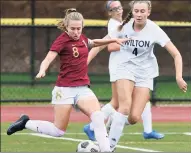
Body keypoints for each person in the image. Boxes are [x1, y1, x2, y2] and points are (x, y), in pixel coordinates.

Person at [6, 8, 129, 152]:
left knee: (98, 116)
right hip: (64, 90)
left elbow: (93, 42)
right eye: (73, 29)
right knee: (58, 131)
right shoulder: (62, 40)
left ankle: (106, 150)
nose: (76, 32)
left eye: (79, 28)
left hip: (82, 88)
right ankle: (25, 123)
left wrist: (114, 39)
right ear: (66, 26)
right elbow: (49, 57)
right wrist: (42, 69)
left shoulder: (82, 38)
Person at [85, 0, 188, 151]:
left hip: (145, 73)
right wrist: (84, 64)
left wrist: (178, 77)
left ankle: (114, 121)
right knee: (124, 106)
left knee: (133, 118)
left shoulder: (154, 30)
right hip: (124, 68)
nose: (139, 14)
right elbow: (100, 45)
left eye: (142, 11)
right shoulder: (122, 26)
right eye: (136, 11)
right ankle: (109, 148)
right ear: (132, 12)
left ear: (148, 13)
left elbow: (176, 54)